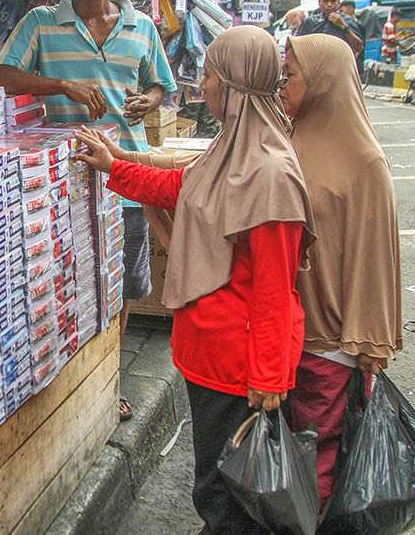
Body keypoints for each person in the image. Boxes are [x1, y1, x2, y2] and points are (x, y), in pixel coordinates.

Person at [77, 26, 315, 534]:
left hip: (239, 368)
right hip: (208, 355)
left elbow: (275, 289)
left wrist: (269, 379)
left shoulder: (270, 175)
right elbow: (174, 186)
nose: (199, 85)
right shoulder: (229, 152)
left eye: (208, 75)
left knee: (232, 495)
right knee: (217, 481)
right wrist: (112, 165)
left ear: (233, 85)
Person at [0, 0, 177, 422]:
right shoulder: (41, 22)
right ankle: (71, 385)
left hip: (127, 178)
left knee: (120, 286)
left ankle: (108, 377)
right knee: (68, 281)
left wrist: (147, 99)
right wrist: (60, 86)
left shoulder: (141, 27)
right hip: (62, 181)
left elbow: (161, 85)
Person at [280, 33, 403, 506]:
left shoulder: (366, 163)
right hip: (285, 327)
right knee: (293, 448)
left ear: (324, 81)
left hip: (331, 341)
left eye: (291, 75)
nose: (283, 84)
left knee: (323, 455)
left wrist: (370, 340)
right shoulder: (292, 136)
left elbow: (375, 260)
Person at [297, 0, 365, 57]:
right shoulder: (310, 22)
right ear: (319, 2)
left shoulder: (348, 20)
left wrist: (344, 26)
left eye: (333, 1)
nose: (329, 5)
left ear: (339, 3)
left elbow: (359, 47)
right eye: (325, 1)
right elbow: (298, 46)